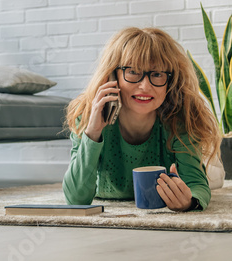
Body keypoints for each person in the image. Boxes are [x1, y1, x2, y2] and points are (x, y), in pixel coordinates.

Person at [62, 27, 222, 211]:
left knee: (214, 178)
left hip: (190, 160)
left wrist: (189, 201)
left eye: (157, 74)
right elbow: (75, 199)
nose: (145, 86)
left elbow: (197, 186)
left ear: (170, 81)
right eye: (132, 72)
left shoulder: (180, 120)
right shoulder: (88, 115)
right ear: (113, 76)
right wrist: (93, 132)